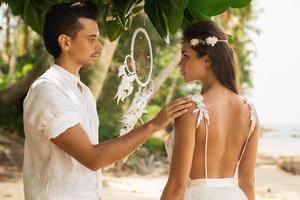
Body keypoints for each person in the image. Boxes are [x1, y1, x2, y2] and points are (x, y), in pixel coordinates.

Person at [22, 1, 193, 199]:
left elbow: (93, 165)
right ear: (65, 42)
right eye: (91, 39)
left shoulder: (83, 92)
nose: (99, 46)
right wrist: (154, 125)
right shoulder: (48, 91)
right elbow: (92, 158)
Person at [161, 21, 260, 200]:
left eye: (185, 55)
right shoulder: (250, 112)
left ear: (207, 59)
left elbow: (177, 184)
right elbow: (248, 182)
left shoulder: (191, 110)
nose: (180, 64)